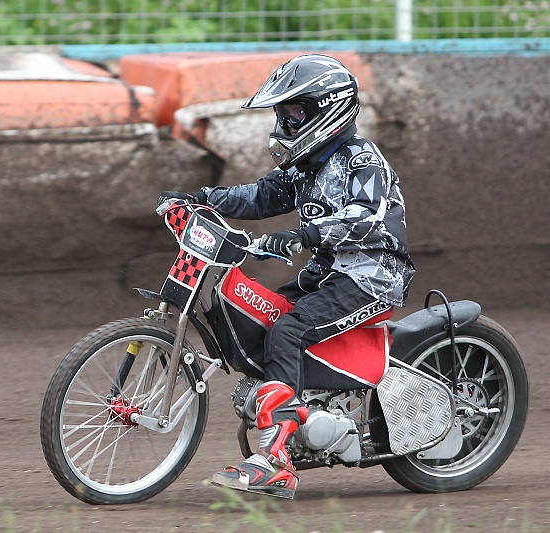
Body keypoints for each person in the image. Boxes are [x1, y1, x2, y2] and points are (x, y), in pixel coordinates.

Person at [157, 54, 414, 499]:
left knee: (288, 332)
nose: (285, 123)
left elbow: (366, 218)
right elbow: (260, 195)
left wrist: (303, 234)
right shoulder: (304, 166)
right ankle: (303, 413)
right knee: (268, 322)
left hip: (373, 276)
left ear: (327, 110)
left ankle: (276, 461)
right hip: (327, 272)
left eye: (294, 112)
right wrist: (201, 198)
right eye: (282, 114)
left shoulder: (362, 160)